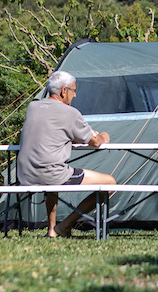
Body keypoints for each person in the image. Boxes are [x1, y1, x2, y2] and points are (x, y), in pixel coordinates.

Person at [16, 71, 115, 238]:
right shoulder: (70, 113)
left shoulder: (32, 107)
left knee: (52, 182)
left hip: (25, 175)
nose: (75, 95)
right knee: (110, 184)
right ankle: (65, 225)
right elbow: (96, 142)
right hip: (52, 174)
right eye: (73, 90)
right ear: (63, 91)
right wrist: (104, 135)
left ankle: (51, 230)